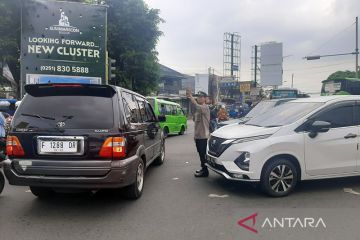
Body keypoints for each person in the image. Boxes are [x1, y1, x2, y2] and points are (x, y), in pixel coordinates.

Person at [187, 90, 210, 177]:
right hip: (198, 136)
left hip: (203, 136)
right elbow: (196, 123)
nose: (199, 98)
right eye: (198, 97)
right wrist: (195, 136)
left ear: (205, 99)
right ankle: (203, 168)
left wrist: (191, 97)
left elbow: (196, 105)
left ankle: (205, 171)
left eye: (201, 97)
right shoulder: (198, 109)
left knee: (203, 154)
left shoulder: (205, 107)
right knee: (200, 153)